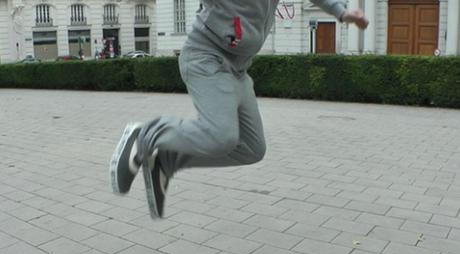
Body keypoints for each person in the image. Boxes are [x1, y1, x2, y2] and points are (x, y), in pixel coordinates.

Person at [110, 0, 369, 219]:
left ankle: (167, 160)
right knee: (221, 136)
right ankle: (145, 134)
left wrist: (341, 11)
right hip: (206, 58)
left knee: (252, 148)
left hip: (238, 71)